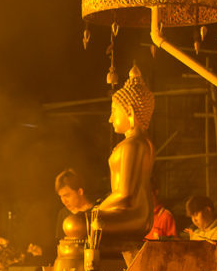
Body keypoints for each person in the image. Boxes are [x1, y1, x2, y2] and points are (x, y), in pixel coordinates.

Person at [92, 64, 155, 257]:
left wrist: (97, 209)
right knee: (80, 223)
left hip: (133, 214)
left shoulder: (133, 145)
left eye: (114, 111)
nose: (111, 118)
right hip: (137, 214)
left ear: (130, 111)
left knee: (75, 224)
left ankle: (88, 269)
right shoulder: (140, 143)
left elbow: (125, 195)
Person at [54, 168, 95, 240]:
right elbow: (60, 243)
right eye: (61, 197)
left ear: (80, 192)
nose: (64, 201)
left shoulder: (96, 211)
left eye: (67, 195)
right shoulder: (63, 214)